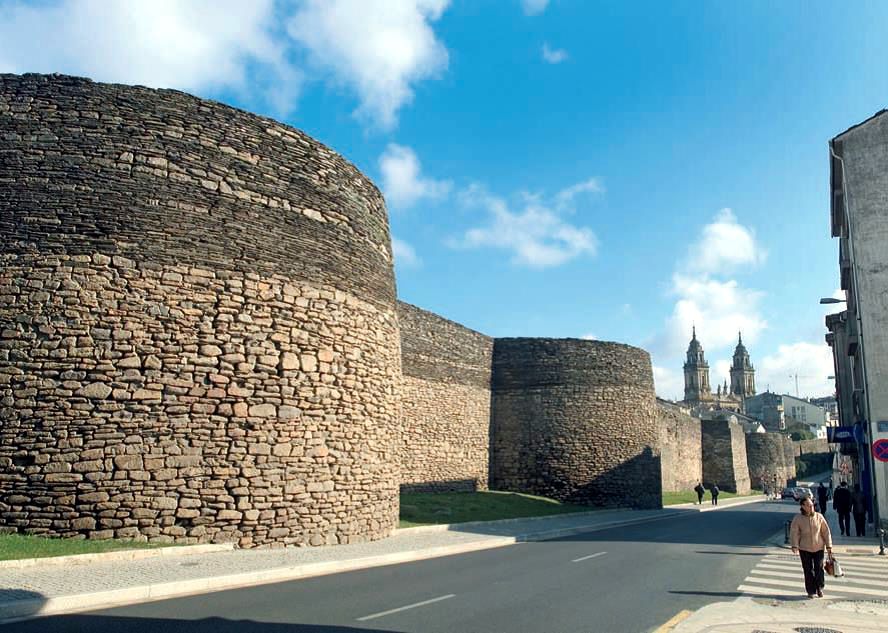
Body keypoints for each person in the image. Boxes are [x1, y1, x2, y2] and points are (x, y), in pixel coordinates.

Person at [790, 496, 833, 598]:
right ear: (803, 506)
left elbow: (826, 532)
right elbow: (794, 532)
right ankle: (810, 590)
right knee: (808, 569)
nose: (811, 507)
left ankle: (819, 588)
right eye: (809, 505)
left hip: (818, 547)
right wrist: (794, 545)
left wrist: (829, 546)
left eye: (812, 505)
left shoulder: (819, 517)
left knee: (819, 568)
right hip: (805, 548)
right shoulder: (798, 518)